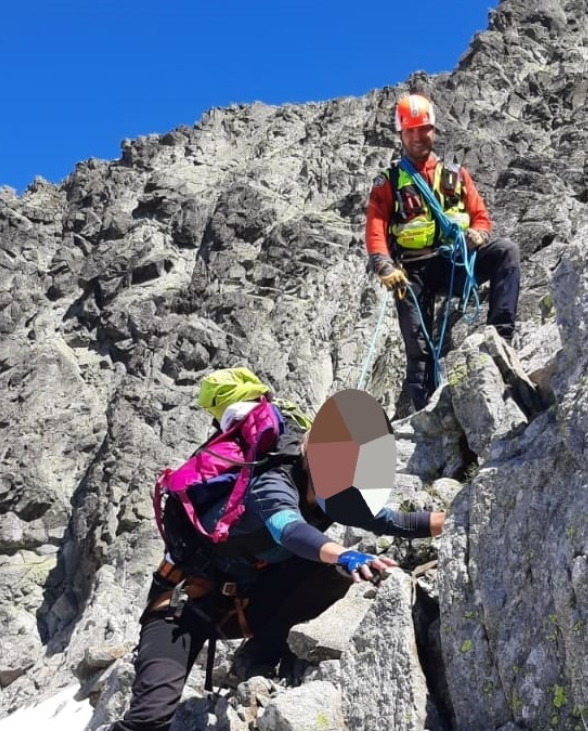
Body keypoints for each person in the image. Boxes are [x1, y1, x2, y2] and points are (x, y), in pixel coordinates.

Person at [110, 378, 445, 731]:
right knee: (149, 719)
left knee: (336, 574)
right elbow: (289, 529)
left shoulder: (337, 493)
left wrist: (457, 519)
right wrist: (344, 553)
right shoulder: (273, 484)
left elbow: (395, 521)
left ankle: (258, 657)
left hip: (247, 604)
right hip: (184, 606)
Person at [365, 92, 523, 411]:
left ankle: (499, 341)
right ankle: (424, 411)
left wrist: (478, 235)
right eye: (410, 130)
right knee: (419, 348)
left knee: (506, 252)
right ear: (401, 135)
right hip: (412, 271)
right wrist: (384, 266)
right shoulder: (389, 182)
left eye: (423, 129)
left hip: (455, 261)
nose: (418, 136)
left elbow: (481, 217)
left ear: (434, 130)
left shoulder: (456, 175)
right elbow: (376, 229)